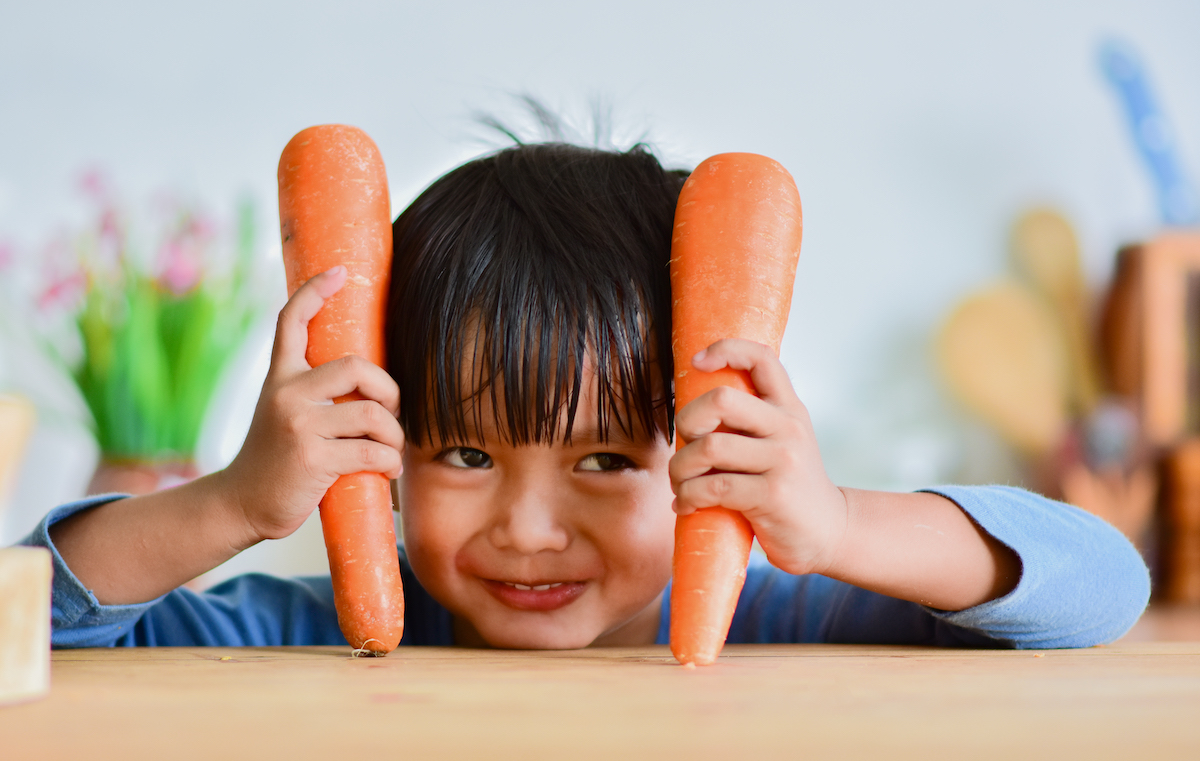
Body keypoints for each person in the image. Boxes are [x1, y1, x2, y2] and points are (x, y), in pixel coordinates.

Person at [20, 140, 1149, 651]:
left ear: (707, 452)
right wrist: (237, 504)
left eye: (606, 458)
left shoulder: (783, 613)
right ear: (386, 444)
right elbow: (31, 622)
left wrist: (841, 523)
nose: (526, 529)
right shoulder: (313, 626)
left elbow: (1100, 583)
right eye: (464, 455)